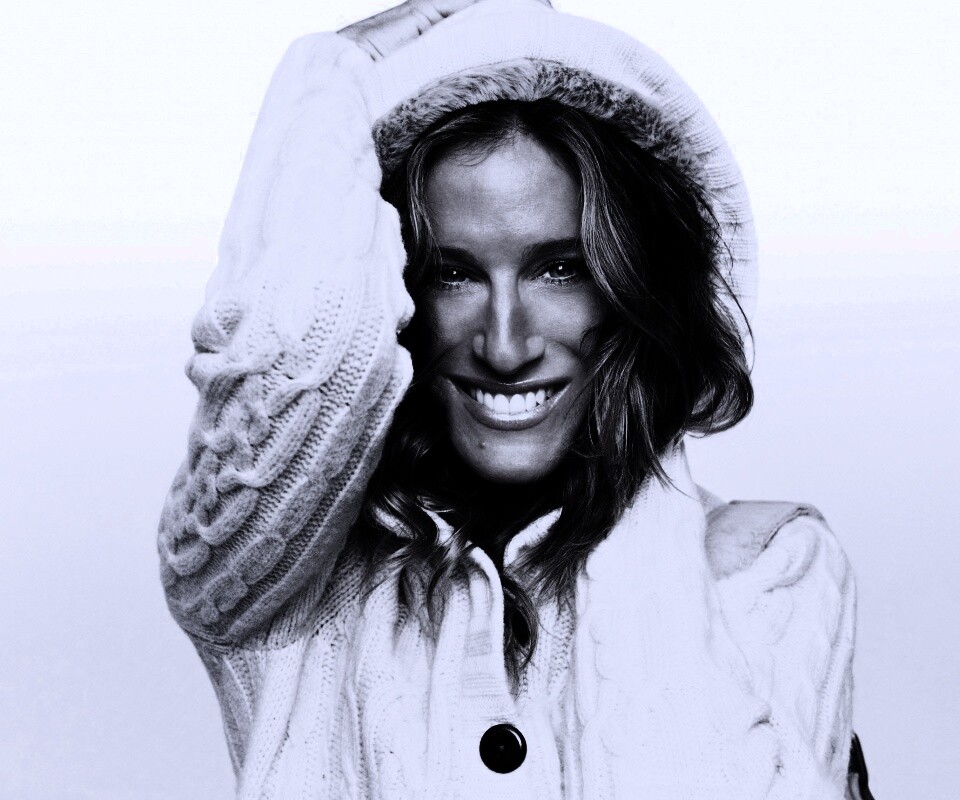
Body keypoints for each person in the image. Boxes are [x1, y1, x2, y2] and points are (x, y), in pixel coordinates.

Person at [157, 1, 869, 797]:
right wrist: (330, 81)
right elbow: (302, 342)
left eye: (560, 268)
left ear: (633, 288)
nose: (504, 346)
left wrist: (648, 505)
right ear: (395, 295)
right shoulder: (282, 587)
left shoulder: (767, 565)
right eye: (452, 274)